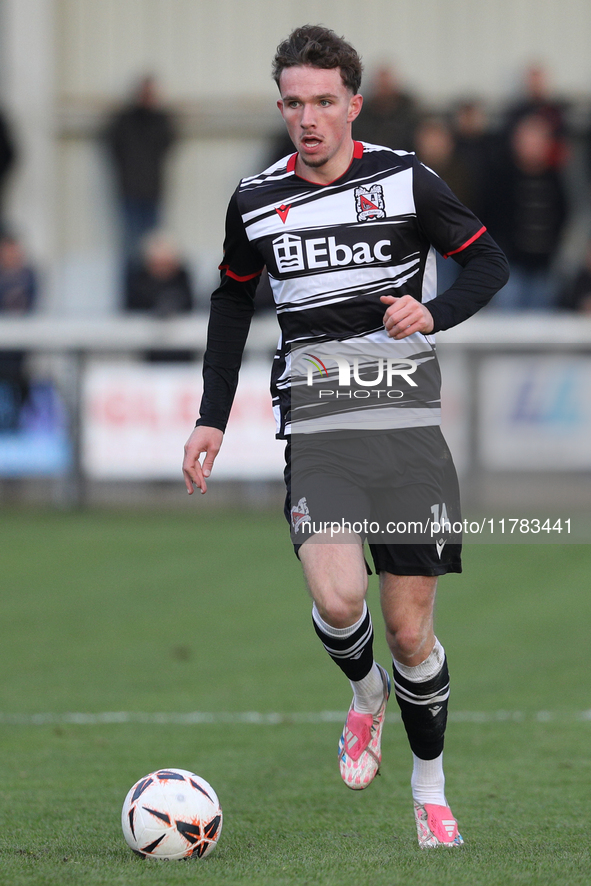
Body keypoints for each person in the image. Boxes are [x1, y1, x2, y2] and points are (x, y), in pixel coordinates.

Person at [182, 25, 508, 849]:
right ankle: (365, 697)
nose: (308, 117)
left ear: (353, 104)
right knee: (337, 598)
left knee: (410, 633)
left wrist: (431, 311)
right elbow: (230, 302)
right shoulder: (255, 200)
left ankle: (428, 787)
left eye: (324, 101)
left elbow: (486, 264)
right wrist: (211, 415)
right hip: (320, 429)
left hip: (406, 432)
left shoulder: (406, 182)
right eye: (293, 102)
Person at [105, 75, 176, 267]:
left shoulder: (160, 120)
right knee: (130, 247)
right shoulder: (124, 120)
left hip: (153, 192)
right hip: (129, 192)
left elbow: (169, 142)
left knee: (154, 248)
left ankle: (150, 291)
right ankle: (132, 294)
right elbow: (113, 147)